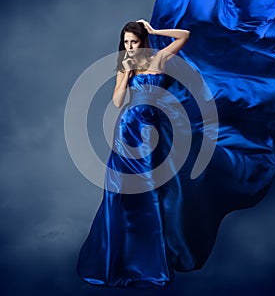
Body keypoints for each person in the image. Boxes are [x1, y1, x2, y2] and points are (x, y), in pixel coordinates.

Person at [77, 20, 197, 288]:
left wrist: (154, 31)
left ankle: (149, 264)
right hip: (128, 130)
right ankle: (116, 261)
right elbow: (118, 102)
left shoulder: (159, 58)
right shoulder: (126, 64)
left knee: (150, 192)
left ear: (143, 41)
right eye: (126, 42)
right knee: (122, 193)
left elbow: (184, 35)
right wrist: (126, 75)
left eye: (134, 42)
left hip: (152, 130)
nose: (130, 47)